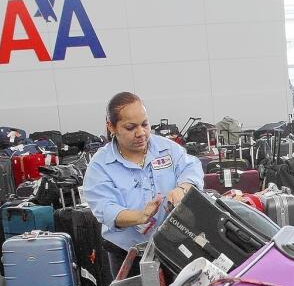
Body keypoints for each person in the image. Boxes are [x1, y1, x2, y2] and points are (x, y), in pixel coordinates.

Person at [81, 92, 204, 269]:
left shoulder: (166, 148)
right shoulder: (101, 165)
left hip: (175, 245)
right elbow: (105, 209)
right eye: (130, 128)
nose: (141, 133)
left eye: (145, 124)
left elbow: (191, 167)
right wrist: (141, 216)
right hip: (129, 254)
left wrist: (183, 188)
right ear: (111, 127)